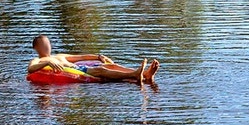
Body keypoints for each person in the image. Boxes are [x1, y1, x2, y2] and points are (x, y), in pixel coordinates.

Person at [27, 34, 157, 84]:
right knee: (100, 70)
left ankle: (145, 74)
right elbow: (30, 69)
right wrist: (48, 62)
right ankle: (135, 74)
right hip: (78, 71)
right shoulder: (37, 61)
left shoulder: (59, 56)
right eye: (44, 43)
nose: (47, 45)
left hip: (79, 68)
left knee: (110, 66)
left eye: (48, 42)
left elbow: (81, 57)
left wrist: (99, 56)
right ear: (36, 47)